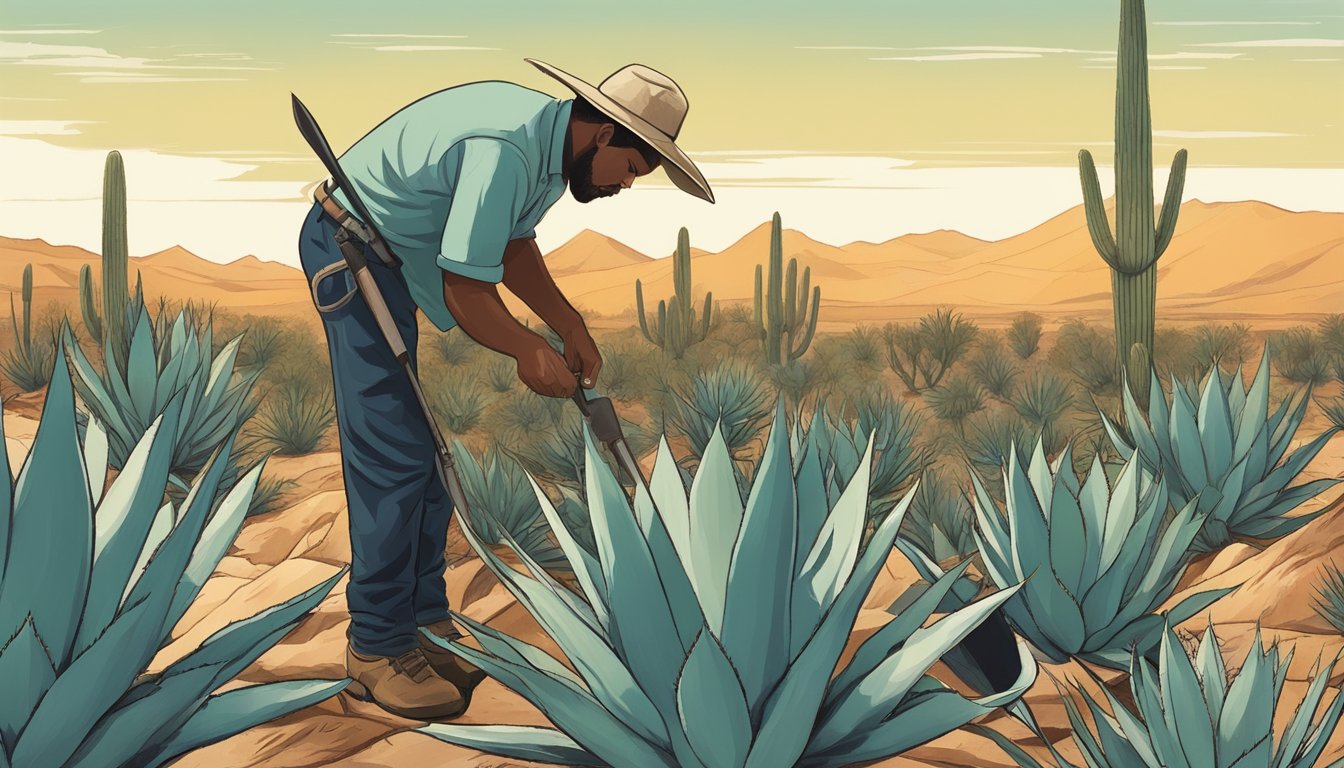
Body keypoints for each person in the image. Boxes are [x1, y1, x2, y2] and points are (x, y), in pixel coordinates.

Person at [295, 58, 714, 720]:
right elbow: (467, 285)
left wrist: (565, 323)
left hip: (397, 251)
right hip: (351, 249)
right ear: (603, 135)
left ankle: (425, 629)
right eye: (633, 169)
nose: (629, 185)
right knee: (394, 454)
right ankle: (376, 648)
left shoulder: (549, 150)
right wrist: (526, 349)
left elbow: (511, 244)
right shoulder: (505, 151)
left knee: (427, 462)